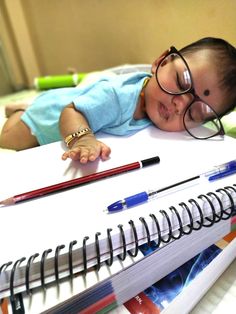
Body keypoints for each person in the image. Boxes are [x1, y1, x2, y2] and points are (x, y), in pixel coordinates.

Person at [0, 37, 235, 163]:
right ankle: (21, 111)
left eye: (194, 113)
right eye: (182, 82)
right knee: (9, 140)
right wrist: (83, 141)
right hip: (49, 117)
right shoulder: (116, 96)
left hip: (78, 102)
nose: (180, 104)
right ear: (161, 62)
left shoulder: (155, 101)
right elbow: (71, 113)